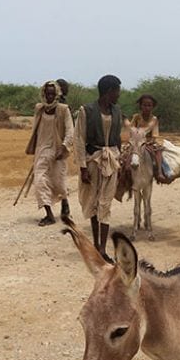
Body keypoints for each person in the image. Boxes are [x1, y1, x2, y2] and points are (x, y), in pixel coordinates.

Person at [74, 74, 123, 257]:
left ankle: (102, 248)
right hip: (93, 161)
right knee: (93, 203)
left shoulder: (117, 111)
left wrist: (119, 158)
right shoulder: (86, 110)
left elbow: (117, 137)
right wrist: (83, 168)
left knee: (106, 203)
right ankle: (96, 244)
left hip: (111, 160)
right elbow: (79, 140)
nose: (119, 94)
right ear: (109, 91)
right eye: (117, 91)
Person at [25, 80, 74, 226]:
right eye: (47, 93)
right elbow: (36, 128)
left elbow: (70, 131)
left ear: (57, 94)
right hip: (41, 151)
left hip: (58, 152)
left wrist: (64, 147)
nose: (50, 96)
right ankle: (49, 214)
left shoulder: (63, 110)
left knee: (58, 183)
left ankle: (64, 201)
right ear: (44, 94)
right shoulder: (39, 108)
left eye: (52, 94)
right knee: (40, 181)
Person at [126, 94, 169, 184]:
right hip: (136, 140)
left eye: (149, 105)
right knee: (128, 151)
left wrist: (149, 141)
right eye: (144, 105)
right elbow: (131, 129)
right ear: (140, 106)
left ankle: (160, 172)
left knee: (158, 151)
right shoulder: (136, 117)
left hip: (149, 141)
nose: (146, 107)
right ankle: (126, 170)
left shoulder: (154, 119)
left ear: (152, 107)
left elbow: (155, 134)